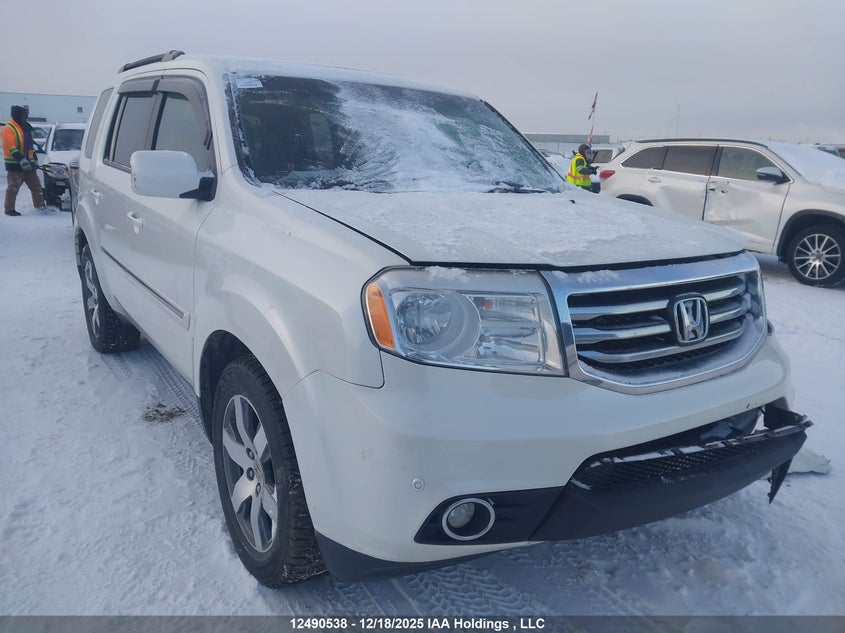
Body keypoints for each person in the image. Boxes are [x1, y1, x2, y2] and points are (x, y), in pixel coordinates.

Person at [2, 105, 46, 216]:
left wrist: (34, 159)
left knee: (36, 186)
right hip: (15, 165)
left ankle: (40, 206)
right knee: (13, 188)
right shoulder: (8, 128)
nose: (26, 118)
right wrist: (21, 159)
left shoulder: (26, 128)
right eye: (24, 116)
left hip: (29, 165)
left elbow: (30, 146)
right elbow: (10, 147)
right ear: (17, 116)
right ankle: (9, 209)